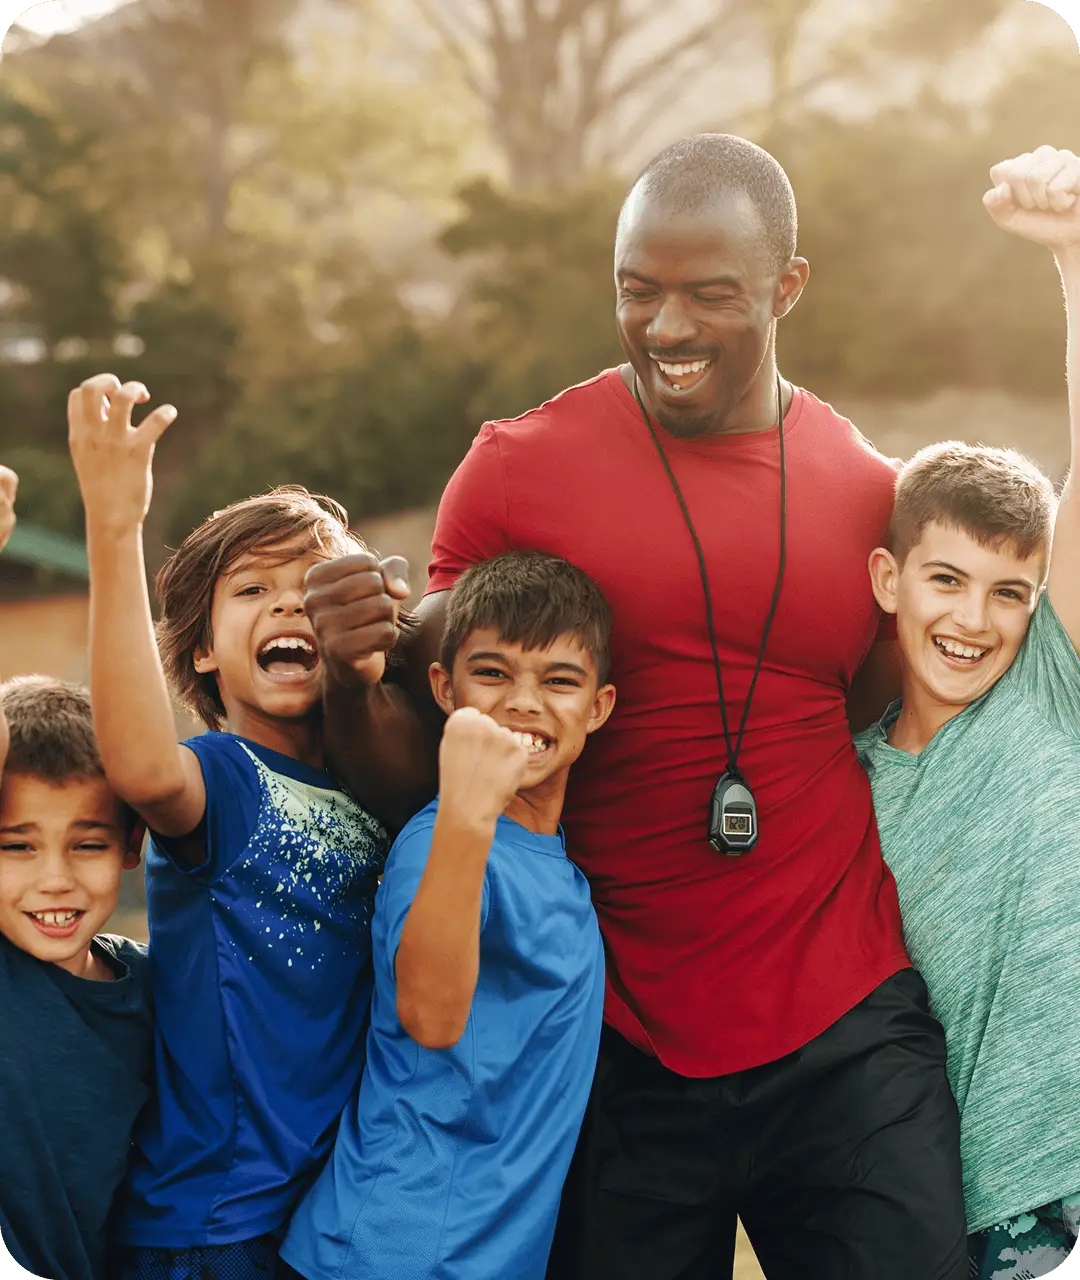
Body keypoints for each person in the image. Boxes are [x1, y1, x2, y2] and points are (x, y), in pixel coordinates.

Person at [299, 134, 968, 1278]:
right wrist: (347, 672)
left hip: (846, 1018)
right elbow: (428, 750)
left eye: (710, 295)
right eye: (637, 290)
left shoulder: (871, 493)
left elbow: (878, 714)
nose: (666, 327)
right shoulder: (515, 469)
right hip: (618, 1041)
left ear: (788, 287)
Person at [66, 376, 398, 1280]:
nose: (289, 605)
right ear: (204, 649)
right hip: (212, 1225)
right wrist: (115, 529)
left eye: (315, 587)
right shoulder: (225, 777)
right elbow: (141, 766)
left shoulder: (381, 790)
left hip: (327, 1219)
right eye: (253, 589)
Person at [856, 146, 1080, 1280]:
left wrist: (1074, 260)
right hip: (990, 1202)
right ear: (889, 580)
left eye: (1008, 593)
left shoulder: (1049, 686)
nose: (975, 620)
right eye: (946, 580)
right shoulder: (847, 775)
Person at [279, 551, 616, 1280]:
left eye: (559, 680)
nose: (524, 702)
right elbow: (430, 1016)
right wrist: (467, 806)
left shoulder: (557, 863)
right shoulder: (438, 839)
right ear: (443, 687)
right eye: (492, 673)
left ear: (599, 707)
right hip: (388, 1254)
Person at [0, 674, 152, 1280]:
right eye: (18, 847)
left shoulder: (153, 990)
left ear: (131, 845)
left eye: (87, 845)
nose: (55, 880)